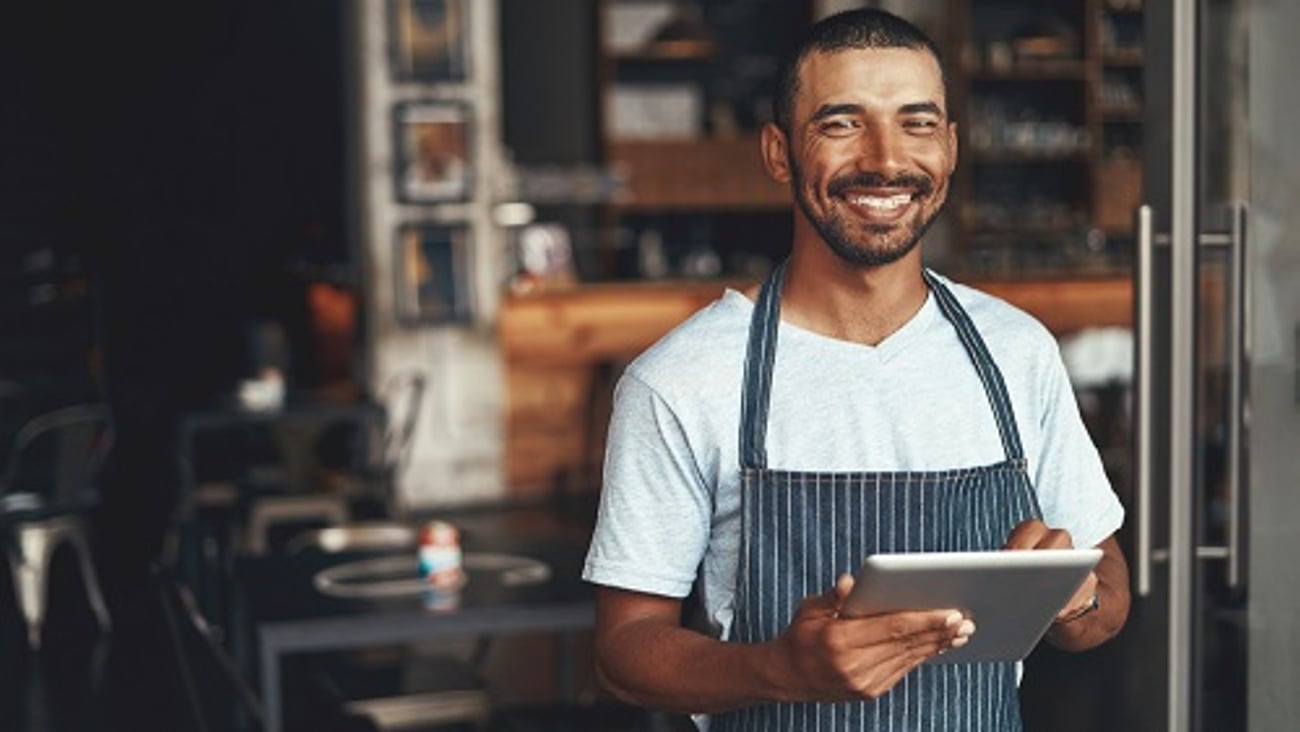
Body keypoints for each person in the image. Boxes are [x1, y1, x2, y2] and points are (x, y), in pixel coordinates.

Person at [581, 8, 1130, 731]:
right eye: (842, 123)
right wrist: (776, 669)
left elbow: (1107, 602)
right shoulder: (683, 379)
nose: (885, 158)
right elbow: (624, 651)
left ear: (952, 147)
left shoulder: (1015, 352)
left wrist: (1075, 597)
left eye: (918, 122)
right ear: (779, 152)